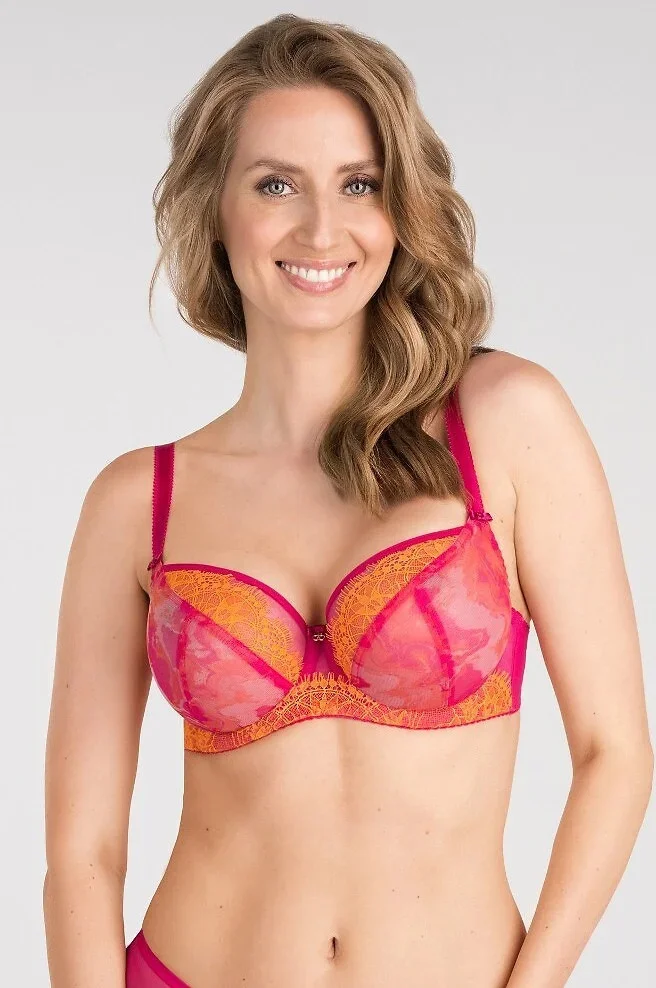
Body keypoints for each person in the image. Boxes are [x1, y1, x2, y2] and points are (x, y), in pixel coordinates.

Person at [43, 13, 653, 988]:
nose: (321, 229)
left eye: (358, 184)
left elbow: (614, 754)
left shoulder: (506, 422)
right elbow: (83, 854)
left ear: (399, 207)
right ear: (214, 210)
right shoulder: (138, 500)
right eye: (275, 184)